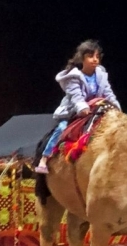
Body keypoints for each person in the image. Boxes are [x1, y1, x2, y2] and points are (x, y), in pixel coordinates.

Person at [35, 40, 121, 174]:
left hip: (94, 111)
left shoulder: (101, 76)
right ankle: (44, 158)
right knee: (62, 128)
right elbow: (76, 96)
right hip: (73, 111)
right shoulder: (73, 77)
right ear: (82, 58)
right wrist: (82, 107)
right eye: (91, 56)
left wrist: (116, 109)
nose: (95, 60)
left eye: (97, 57)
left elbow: (108, 93)